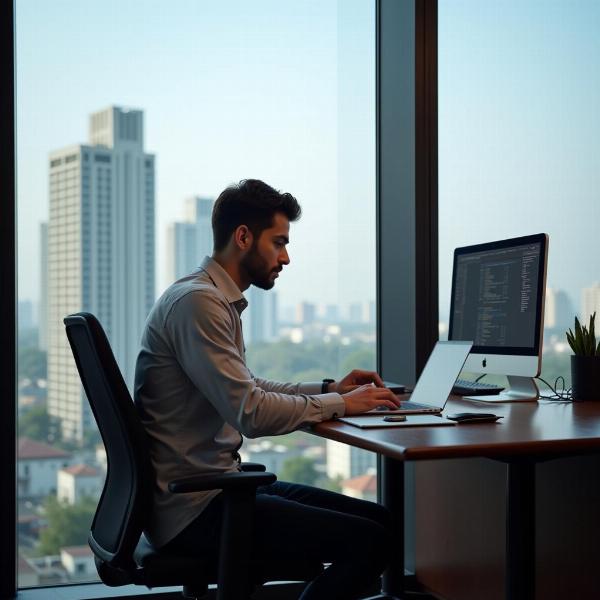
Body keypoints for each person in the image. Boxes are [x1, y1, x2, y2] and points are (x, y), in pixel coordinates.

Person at [134, 179, 401, 599]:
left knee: (382, 521)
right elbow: (252, 413)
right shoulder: (198, 303)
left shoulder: (211, 299)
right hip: (196, 509)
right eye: (278, 242)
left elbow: (250, 386)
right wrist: (340, 405)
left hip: (215, 488)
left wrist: (332, 389)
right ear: (243, 237)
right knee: (373, 542)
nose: (286, 257)